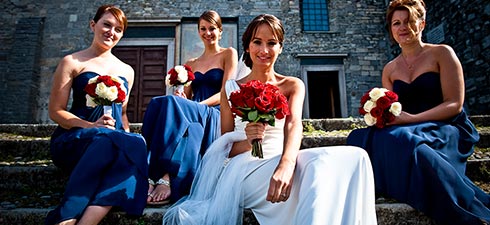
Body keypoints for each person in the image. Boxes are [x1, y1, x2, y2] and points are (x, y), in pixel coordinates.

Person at [162, 14, 377, 225]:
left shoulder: (293, 85)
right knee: (316, 168)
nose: (264, 50)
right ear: (247, 46)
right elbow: (224, 147)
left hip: (282, 159)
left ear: (280, 47)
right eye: (257, 42)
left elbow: (293, 125)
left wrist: (286, 164)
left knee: (356, 157)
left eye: (271, 43)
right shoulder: (230, 89)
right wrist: (248, 141)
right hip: (243, 170)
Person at [346, 0, 490, 224]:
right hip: (408, 126)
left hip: (445, 125)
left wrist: (413, 119)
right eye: (396, 23)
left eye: (409, 21)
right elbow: (389, 109)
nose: (403, 27)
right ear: (391, 29)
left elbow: (455, 104)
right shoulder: (390, 69)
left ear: (422, 24)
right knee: (358, 137)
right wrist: (380, 116)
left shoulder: (442, 54)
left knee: (403, 140)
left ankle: (459, 209)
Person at [45, 5, 148, 225]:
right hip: (76, 139)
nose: (112, 32)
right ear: (93, 25)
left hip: (111, 138)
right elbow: (56, 111)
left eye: (118, 29)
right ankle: (67, 215)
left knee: (135, 143)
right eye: (107, 25)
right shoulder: (72, 62)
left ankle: (83, 222)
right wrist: (90, 126)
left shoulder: (127, 70)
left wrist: (126, 137)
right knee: (105, 141)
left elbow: (122, 113)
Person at [142, 10, 238, 205]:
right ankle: (151, 172)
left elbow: (226, 91)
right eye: (203, 29)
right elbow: (186, 95)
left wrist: (196, 105)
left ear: (220, 31)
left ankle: (163, 176)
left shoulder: (228, 53)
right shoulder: (190, 63)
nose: (207, 33)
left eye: (212, 28)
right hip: (192, 110)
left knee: (172, 105)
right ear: (198, 31)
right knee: (159, 102)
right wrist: (182, 96)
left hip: (215, 111)